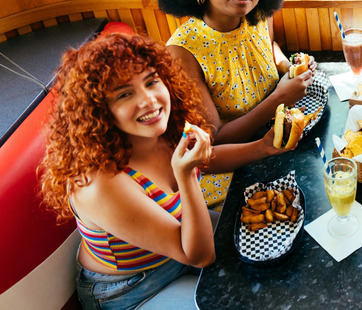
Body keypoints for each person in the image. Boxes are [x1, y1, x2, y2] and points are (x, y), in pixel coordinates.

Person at [38, 34, 285, 309]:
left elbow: (206, 159)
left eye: (151, 81)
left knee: (273, 250)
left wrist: (263, 147)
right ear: (99, 110)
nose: (149, 100)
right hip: (134, 289)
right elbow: (199, 256)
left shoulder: (158, 130)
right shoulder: (100, 184)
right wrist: (187, 176)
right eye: (124, 94)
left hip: (182, 244)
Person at [153, 0, 315, 208]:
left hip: (281, 146)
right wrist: (280, 97)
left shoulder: (257, 16)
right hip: (231, 184)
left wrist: (287, 65)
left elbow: (269, 48)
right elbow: (213, 143)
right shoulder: (182, 53)